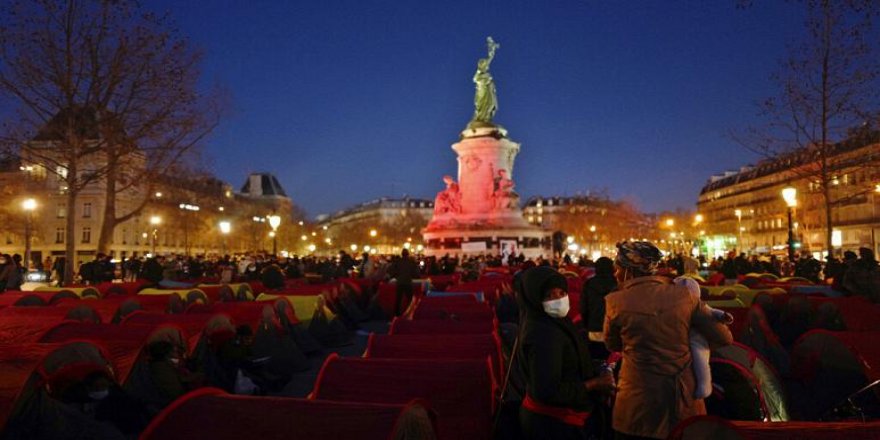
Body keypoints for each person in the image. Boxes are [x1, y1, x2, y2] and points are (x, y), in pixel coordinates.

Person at [604, 241, 733, 439]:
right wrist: (692, 345)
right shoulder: (685, 295)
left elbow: (612, 344)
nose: (615, 274)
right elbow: (724, 337)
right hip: (682, 397)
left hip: (637, 400)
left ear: (628, 270)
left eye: (617, 268)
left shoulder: (615, 302)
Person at [517, 266, 615, 439]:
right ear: (534, 298)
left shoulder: (552, 321)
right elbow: (547, 391)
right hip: (554, 425)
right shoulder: (543, 334)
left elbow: (569, 361)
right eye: (549, 295)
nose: (558, 299)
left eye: (561, 293)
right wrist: (594, 384)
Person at [581, 257, 616, 357]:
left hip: (594, 327)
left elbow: (584, 307)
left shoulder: (589, 284)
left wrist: (586, 325)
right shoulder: (618, 284)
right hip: (614, 328)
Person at [388, 249, 420, 316]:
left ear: (402, 254)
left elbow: (390, 270)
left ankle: (396, 314)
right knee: (410, 299)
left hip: (400, 282)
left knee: (398, 299)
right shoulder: (411, 261)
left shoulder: (397, 261)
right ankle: (410, 313)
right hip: (408, 282)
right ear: (408, 254)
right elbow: (415, 273)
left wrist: (396, 276)